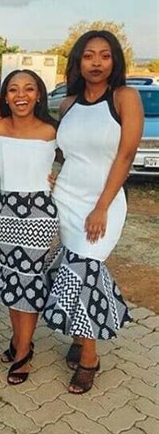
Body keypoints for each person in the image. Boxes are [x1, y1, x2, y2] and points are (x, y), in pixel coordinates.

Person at [43, 30, 144, 394]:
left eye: (104, 55)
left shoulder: (125, 97)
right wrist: (50, 174)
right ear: (78, 62)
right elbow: (66, 153)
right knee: (72, 269)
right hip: (67, 199)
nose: (97, 62)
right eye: (89, 56)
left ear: (115, 60)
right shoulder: (68, 104)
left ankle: (90, 357)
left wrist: (101, 206)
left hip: (104, 201)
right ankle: (81, 333)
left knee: (83, 270)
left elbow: (126, 155)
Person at [0, 70, 58, 385]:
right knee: (11, 276)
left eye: (29, 89)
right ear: (5, 96)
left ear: (39, 95)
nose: (21, 95)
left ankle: (23, 354)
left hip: (39, 212)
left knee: (29, 278)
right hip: (5, 211)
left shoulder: (51, 131)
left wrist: (62, 180)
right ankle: (19, 341)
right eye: (14, 89)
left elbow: (81, 160)